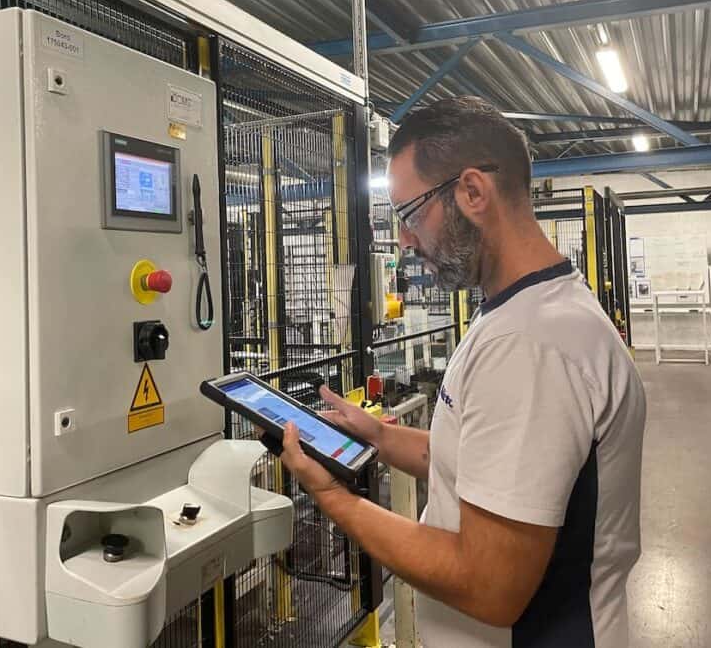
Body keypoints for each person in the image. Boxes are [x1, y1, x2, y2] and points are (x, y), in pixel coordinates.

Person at [273, 97, 646, 647]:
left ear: (473, 193)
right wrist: (379, 434)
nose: (403, 240)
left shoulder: (529, 345)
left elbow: (486, 585)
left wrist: (333, 497)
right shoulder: (521, 311)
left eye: (409, 213)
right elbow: (479, 460)